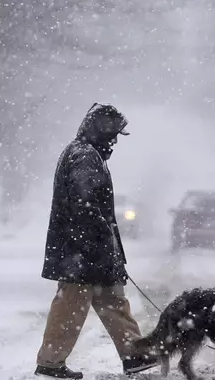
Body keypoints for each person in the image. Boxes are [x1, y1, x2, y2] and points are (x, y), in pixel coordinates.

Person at [35, 103, 157, 379]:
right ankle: (50, 363)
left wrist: (108, 248)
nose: (114, 141)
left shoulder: (87, 153)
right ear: (99, 131)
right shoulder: (83, 156)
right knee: (70, 306)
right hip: (81, 251)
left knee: (113, 300)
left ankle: (134, 354)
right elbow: (84, 203)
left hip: (89, 249)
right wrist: (102, 239)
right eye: (112, 134)